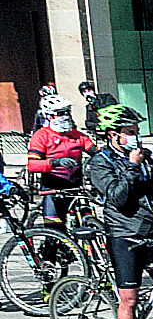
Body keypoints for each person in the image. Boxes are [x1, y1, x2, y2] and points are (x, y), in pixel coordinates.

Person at [86, 104, 153, 319]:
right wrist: (132, 166)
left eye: (136, 130)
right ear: (113, 134)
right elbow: (117, 197)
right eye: (130, 131)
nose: (135, 135)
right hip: (126, 235)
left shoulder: (144, 156)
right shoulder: (101, 162)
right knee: (130, 298)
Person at [27, 94, 95, 229]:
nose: (66, 116)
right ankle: (51, 248)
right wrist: (55, 163)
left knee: (88, 221)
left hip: (76, 186)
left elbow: (96, 152)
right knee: (55, 230)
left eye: (67, 112)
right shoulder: (41, 136)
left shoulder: (77, 135)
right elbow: (32, 165)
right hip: (53, 188)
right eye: (60, 113)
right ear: (49, 116)